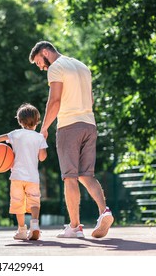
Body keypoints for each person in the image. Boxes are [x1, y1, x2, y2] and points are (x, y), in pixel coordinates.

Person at [29, 41, 114, 238]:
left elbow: (55, 100)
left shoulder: (56, 68)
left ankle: (75, 227)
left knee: (70, 176)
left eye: (39, 63)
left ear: (45, 52)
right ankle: (105, 211)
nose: (41, 67)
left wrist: (44, 129)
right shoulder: (82, 66)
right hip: (89, 124)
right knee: (87, 175)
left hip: (69, 126)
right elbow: (91, 100)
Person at [0, 103, 48, 240]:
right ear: (37, 121)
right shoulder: (39, 137)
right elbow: (42, 158)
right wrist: (43, 142)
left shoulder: (15, 134)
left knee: (18, 203)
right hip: (33, 178)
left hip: (17, 176)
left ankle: (22, 230)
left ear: (20, 121)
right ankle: (34, 224)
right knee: (34, 202)